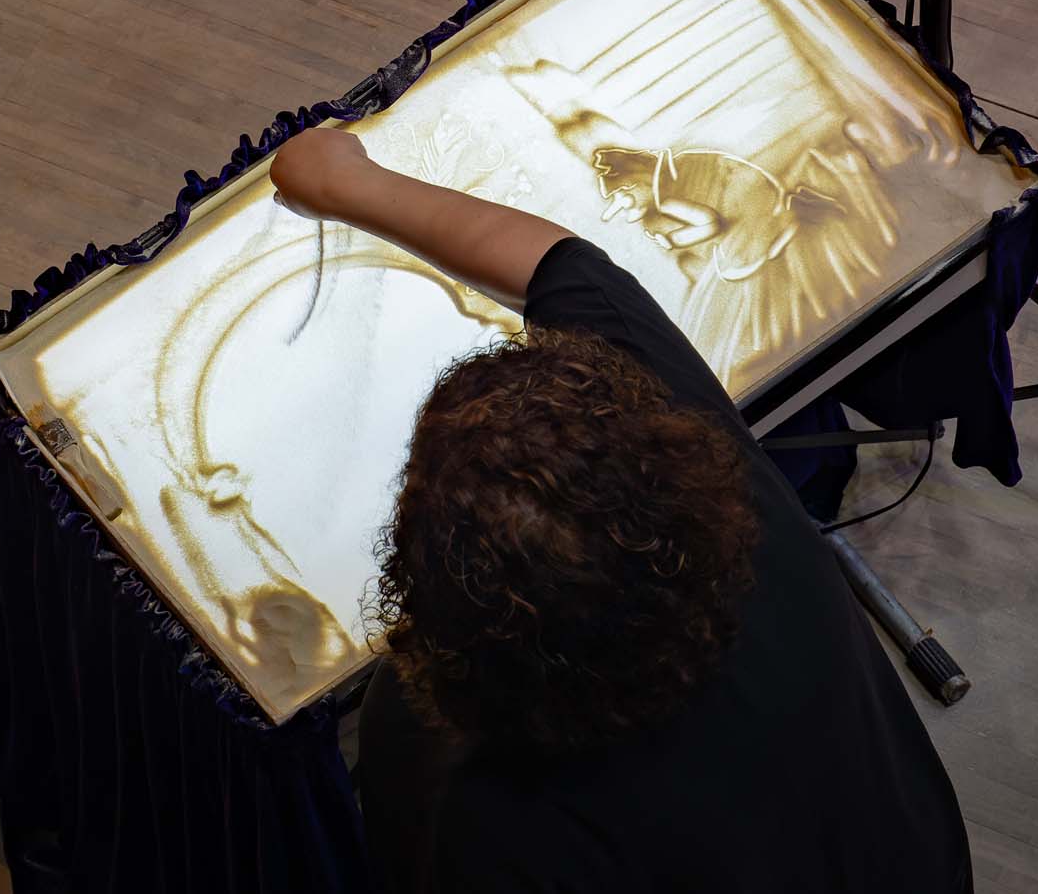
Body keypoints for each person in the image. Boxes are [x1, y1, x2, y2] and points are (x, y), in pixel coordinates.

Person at [269, 127, 972, 894]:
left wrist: (332, 181)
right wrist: (349, 184)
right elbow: (558, 265)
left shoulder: (487, 822)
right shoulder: (750, 507)